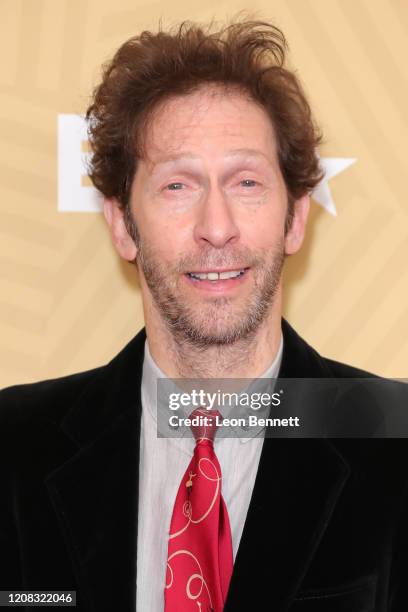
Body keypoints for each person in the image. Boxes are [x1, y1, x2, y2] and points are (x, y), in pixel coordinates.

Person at [1, 18, 407, 612]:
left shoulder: (394, 439)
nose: (216, 228)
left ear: (295, 219)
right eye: (177, 186)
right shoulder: (14, 449)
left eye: (245, 182)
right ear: (121, 224)